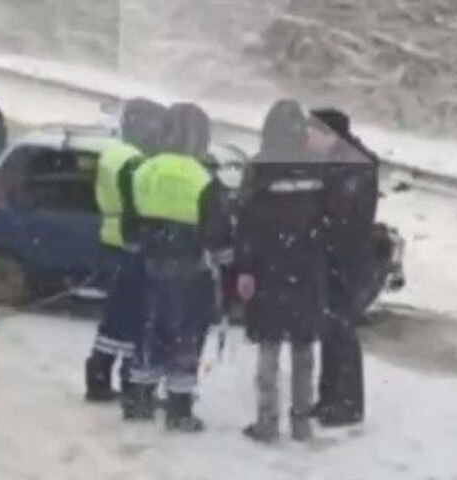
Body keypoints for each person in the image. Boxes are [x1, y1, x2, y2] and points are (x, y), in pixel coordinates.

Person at [122, 103, 231, 431]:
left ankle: (139, 398)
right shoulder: (204, 178)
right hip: (189, 268)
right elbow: (218, 233)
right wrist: (226, 266)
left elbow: (130, 227)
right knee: (185, 337)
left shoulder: (143, 170)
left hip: (150, 264)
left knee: (150, 331)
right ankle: (179, 408)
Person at [235, 100, 328, 443]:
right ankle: (302, 422)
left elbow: (245, 223)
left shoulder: (260, 168)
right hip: (306, 270)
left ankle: (267, 421)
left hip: (268, 270)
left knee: (269, 347)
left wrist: (244, 270)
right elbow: (327, 221)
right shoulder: (317, 169)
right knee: (303, 348)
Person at [84, 97, 166, 403]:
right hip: (129, 245)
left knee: (116, 318)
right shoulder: (135, 161)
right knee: (136, 319)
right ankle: (130, 383)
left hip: (112, 239)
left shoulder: (114, 153)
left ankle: (99, 376)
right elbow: (141, 205)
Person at [308, 106, 378, 428]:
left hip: (347, 260)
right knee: (329, 329)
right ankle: (329, 398)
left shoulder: (354, 167)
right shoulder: (337, 161)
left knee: (342, 330)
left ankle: (348, 404)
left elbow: (342, 214)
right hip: (332, 256)